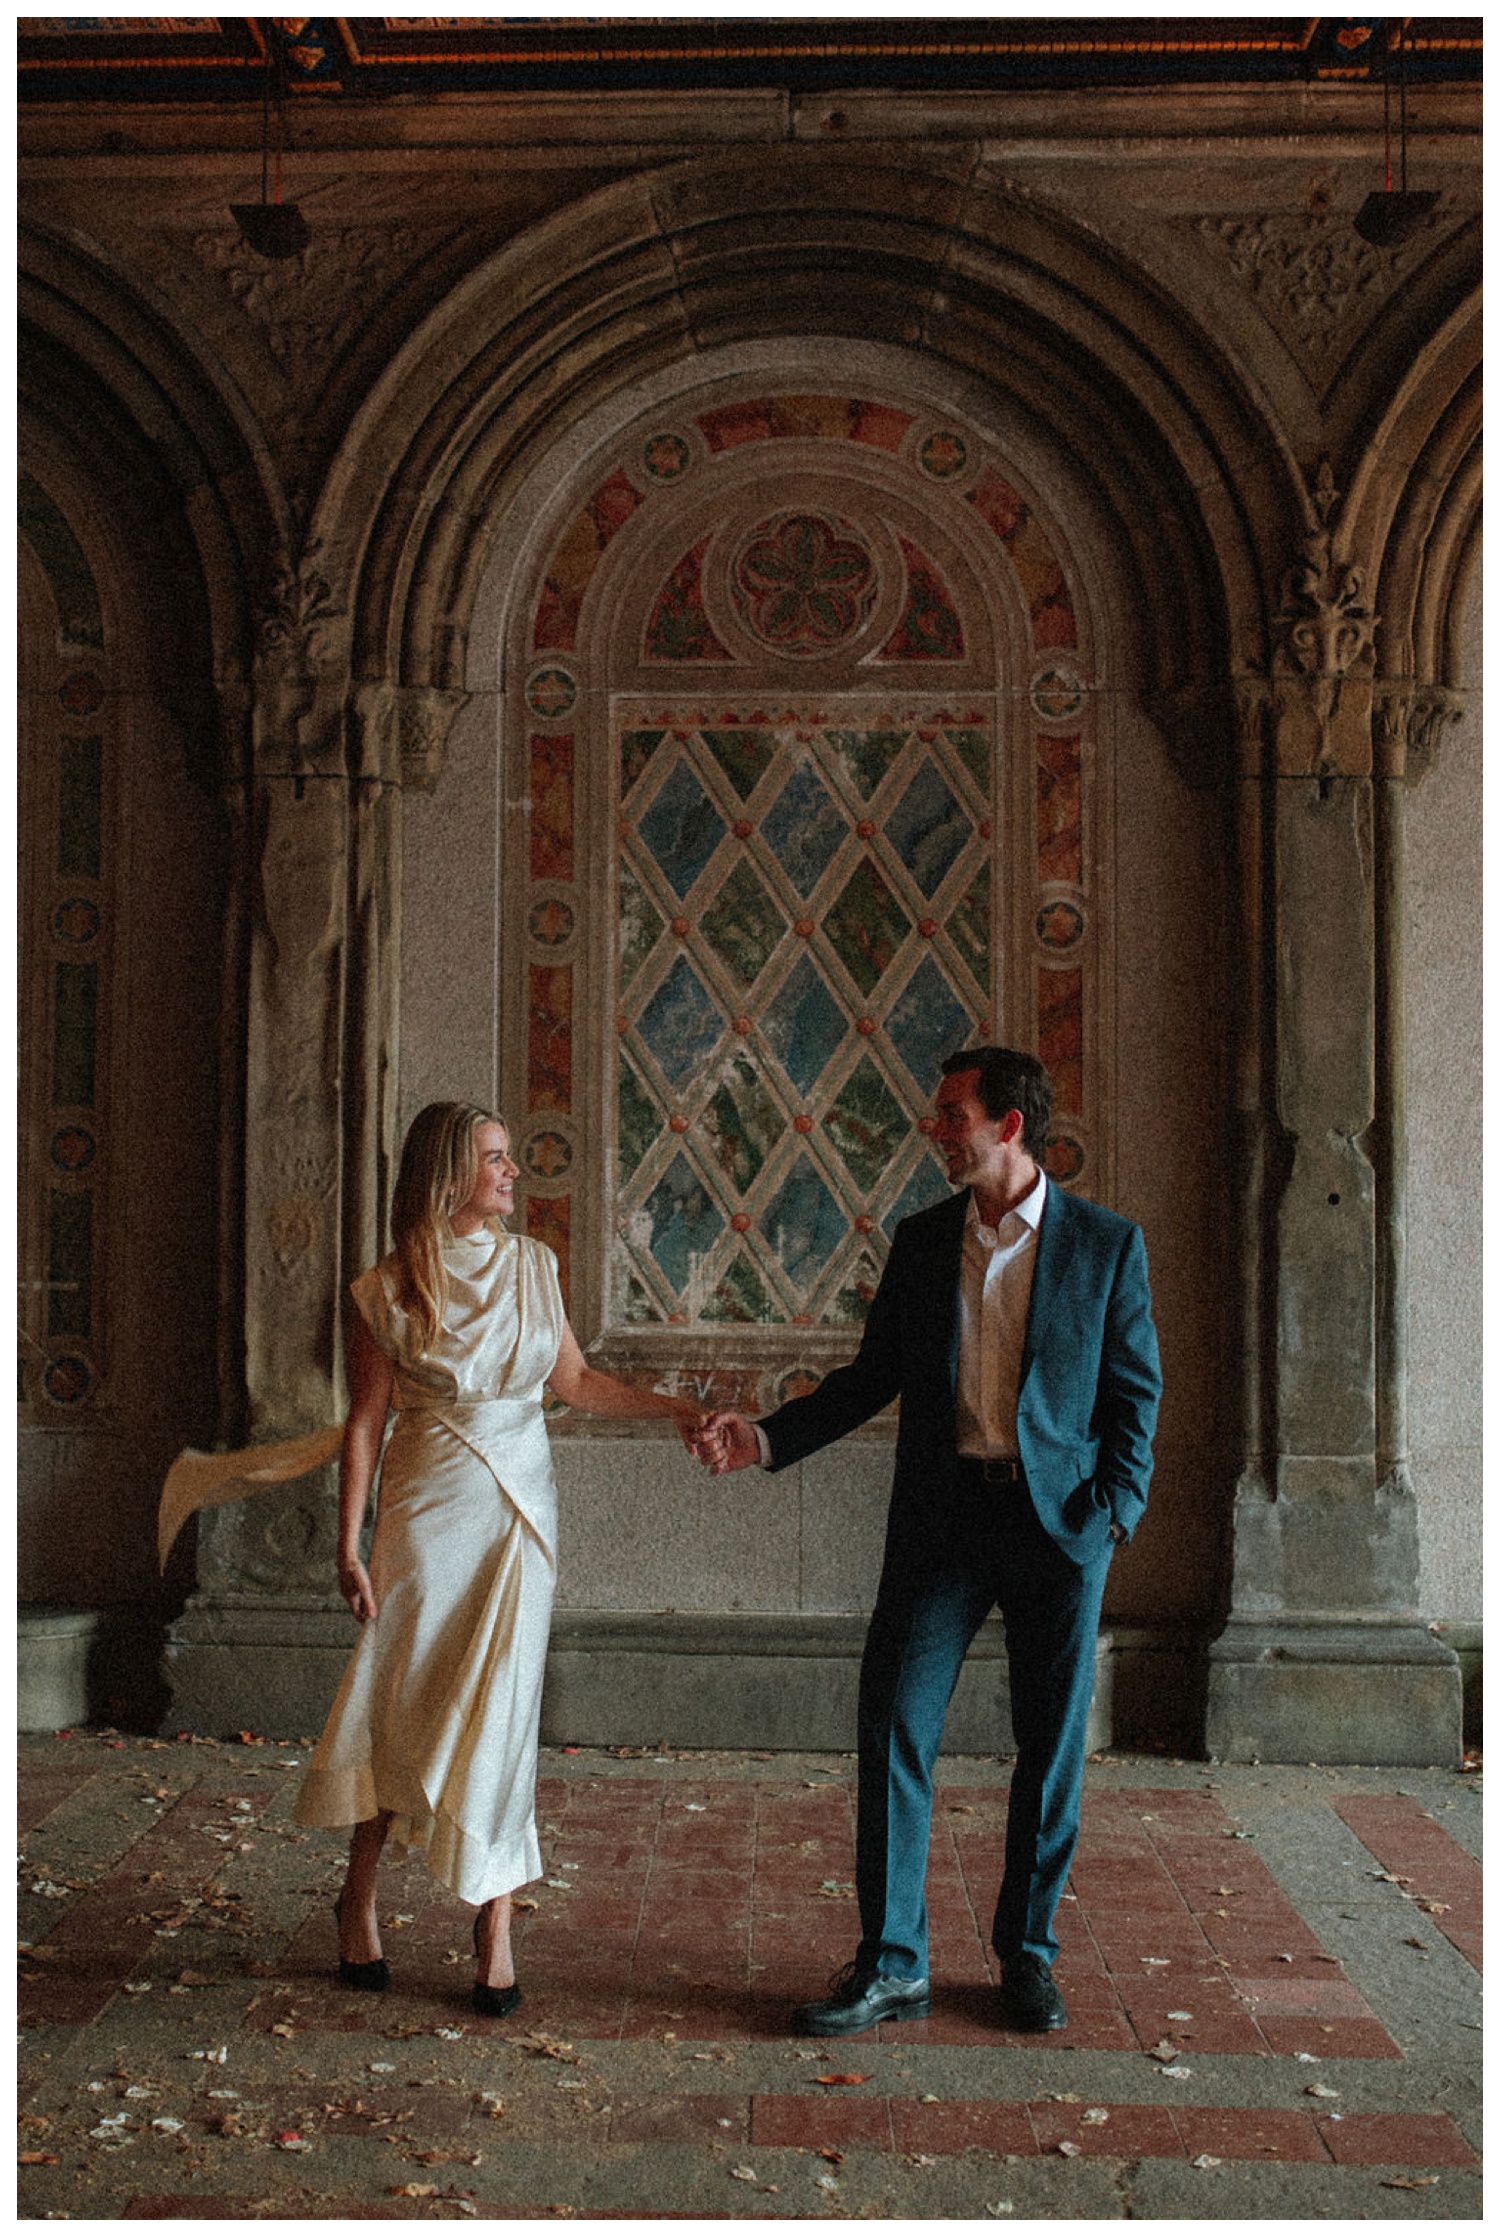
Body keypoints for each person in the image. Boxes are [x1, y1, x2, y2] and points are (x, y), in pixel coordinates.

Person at [701, 1046, 1160, 2036]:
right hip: (942, 1522)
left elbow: (1135, 1394)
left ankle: (1027, 1957)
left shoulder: (1106, 1246)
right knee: (894, 1726)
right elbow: (872, 1381)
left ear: (1008, 1126)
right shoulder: (919, 1242)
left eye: (952, 1114)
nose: (936, 1130)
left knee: (1049, 1747)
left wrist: (1114, 1509)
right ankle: (893, 1961)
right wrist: (769, 1436)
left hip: (1059, 1529)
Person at [292, 1102, 705, 2013]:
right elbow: (364, 1420)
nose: (514, 1172)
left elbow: (580, 1383)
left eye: (512, 1158)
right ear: (448, 1175)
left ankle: (498, 1923)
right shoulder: (388, 1287)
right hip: (425, 1510)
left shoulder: (533, 1266)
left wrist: (673, 1407)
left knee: (507, 1713)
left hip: (520, 1513)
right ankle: (356, 1897)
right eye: (495, 1159)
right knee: (402, 1703)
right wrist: (348, 1536)